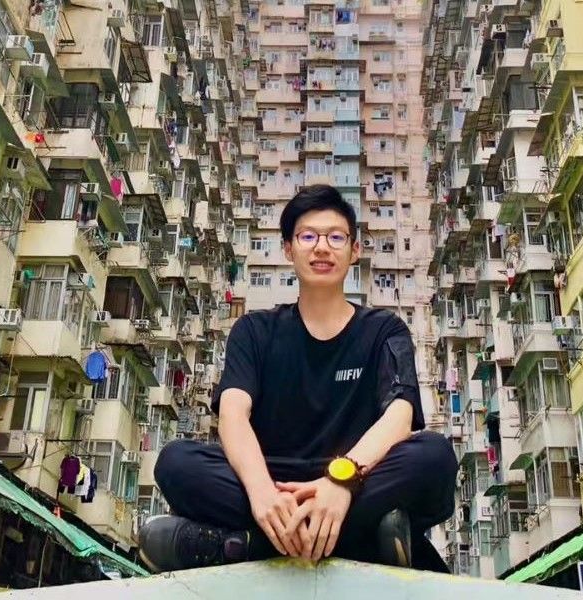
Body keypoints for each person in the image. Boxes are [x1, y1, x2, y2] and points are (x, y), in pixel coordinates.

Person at [138, 185, 457, 573]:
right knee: (177, 462)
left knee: (433, 456)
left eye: (336, 237)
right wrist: (261, 494)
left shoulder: (384, 330)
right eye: (308, 236)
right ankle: (366, 539)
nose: (322, 247)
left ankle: (246, 545)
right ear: (289, 249)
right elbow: (233, 416)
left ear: (354, 250)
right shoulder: (254, 331)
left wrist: (340, 484)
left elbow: (400, 417)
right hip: (272, 481)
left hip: (357, 480)